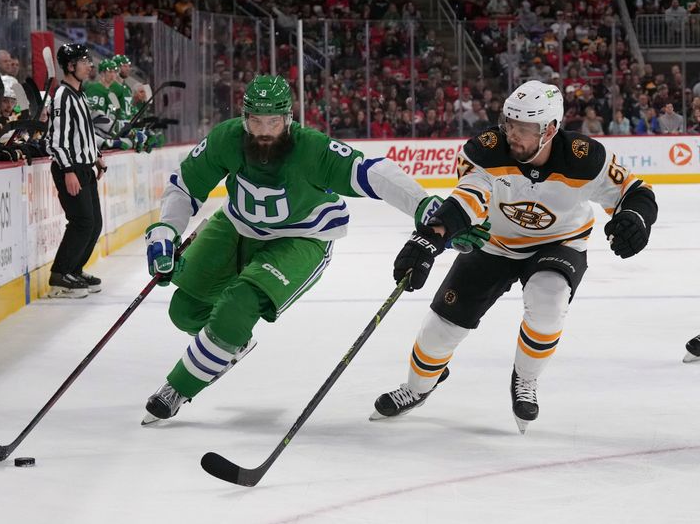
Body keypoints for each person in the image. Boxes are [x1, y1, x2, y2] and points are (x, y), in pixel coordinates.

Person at [140, 74, 485, 423]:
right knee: (184, 310)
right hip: (236, 224)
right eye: (255, 120)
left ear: (288, 119)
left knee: (238, 303)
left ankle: (179, 388)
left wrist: (427, 208)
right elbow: (185, 185)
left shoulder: (311, 148)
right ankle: (231, 341)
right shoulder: (227, 138)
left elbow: (372, 173)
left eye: (272, 121)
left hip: (301, 237)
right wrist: (167, 230)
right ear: (244, 118)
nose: (263, 129)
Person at [370, 80, 658, 434]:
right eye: (509, 123)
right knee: (439, 332)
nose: (512, 135)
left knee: (548, 302)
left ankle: (525, 378)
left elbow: (635, 191)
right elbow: (468, 198)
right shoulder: (486, 151)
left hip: (559, 243)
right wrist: (431, 237)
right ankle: (416, 389)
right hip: (494, 244)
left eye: (524, 128)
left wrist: (635, 218)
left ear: (550, 129)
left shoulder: (586, 158)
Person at [45, 43, 107, 298]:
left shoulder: (79, 94)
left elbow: (84, 133)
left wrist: (97, 157)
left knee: (94, 224)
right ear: (70, 66)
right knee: (82, 222)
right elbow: (56, 139)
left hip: (85, 167)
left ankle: (74, 269)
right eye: (83, 61)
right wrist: (68, 170)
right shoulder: (62, 96)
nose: (89, 66)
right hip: (69, 168)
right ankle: (60, 275)